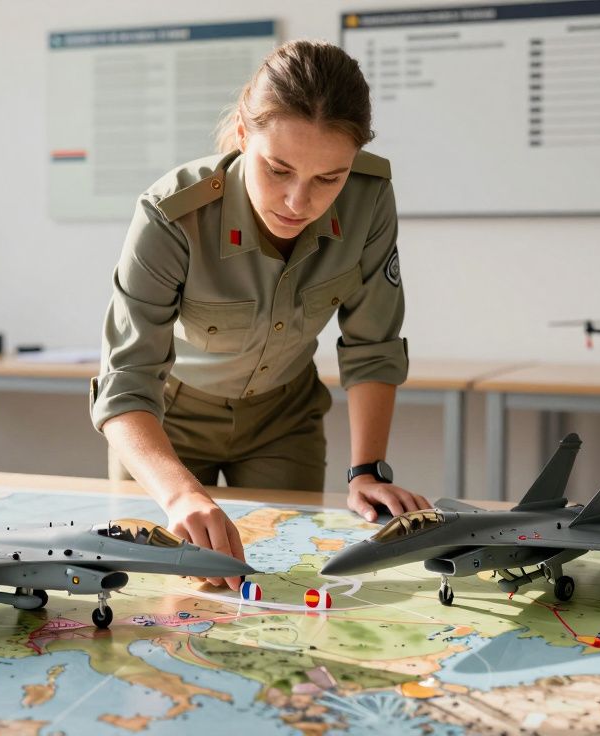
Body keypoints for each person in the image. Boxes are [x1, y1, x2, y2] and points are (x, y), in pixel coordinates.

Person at [89, 40, 430, 590]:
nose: (299, 201)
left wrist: (366, 470)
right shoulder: (170, 215)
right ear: (244, 136)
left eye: (328, 179)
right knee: (160, 597)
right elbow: (124, 385)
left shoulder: (370, 198)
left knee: (280, 582)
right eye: (278, 169)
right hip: (169, 423)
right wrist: (179, 494)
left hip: (284, 421)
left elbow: (373, 344)